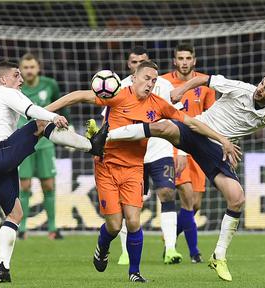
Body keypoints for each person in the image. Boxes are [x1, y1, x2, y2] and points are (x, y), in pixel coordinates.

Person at [45, 61, 238, 282]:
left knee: (134, 221)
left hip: (134, 168)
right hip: (107, 166)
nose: (150, 83)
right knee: (114, 225)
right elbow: (77, 95)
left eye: (154, 80)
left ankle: (134, 272)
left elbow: (191, 123)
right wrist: (45, 112)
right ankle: (103, 246)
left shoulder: (158, 104)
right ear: (134, 77)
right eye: (146, 78)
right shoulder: (116, 94)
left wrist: (222, 139)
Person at [100, 63, 265, 281]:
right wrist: (181, 90)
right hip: (197, 130)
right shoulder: (240, 88)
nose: (260, 90)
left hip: (218, 150)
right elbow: (205, 79)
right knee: (164, 127)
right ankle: (107, 136)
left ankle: (218, 255)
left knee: (237, 198)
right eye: (262, 83)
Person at [0, 61, 99, 283]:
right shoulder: (6, 93)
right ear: (4, 80)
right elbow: (31, 111)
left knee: (15, 214)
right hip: (0, 154)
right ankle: (93, 146)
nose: (21, 80)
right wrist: (52, 117)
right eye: (16, 75)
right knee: (41, 123)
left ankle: (3, 268)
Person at [102, 46, 185, 265]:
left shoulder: (164, 85)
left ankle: (170, 248)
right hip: (129, 155)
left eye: (143, 61)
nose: (138, 64)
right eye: (134, 62)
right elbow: (107, 118)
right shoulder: (118, 88)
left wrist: (182, 151)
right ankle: (125, 252)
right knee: (126, 210)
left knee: (167, 193)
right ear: (130, 67)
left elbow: (178, 118)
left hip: (160, 149)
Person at [162, 43, 216, 263]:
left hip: (198, 148)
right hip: (174, 145)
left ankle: (170, 242)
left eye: (188, 58)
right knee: (185, 195)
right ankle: (194, 253)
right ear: (175, 60)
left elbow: (212, 116)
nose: (184, 62)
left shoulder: (205, 84)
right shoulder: (164, 83)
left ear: (194, 60)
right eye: (180, 58)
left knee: (195, 205)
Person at [17, 53, 69, 240]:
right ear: (20, 70)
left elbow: (63, 105)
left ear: (38, 68)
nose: (29, 71)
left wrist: (65, 125)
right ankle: (21, 229)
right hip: (23, 141)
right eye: (26, 67)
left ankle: (52, 228)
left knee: (48, 184)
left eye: (32, 67)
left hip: (45, 142)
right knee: (25, 185)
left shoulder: (50, 84)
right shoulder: (16, 88)